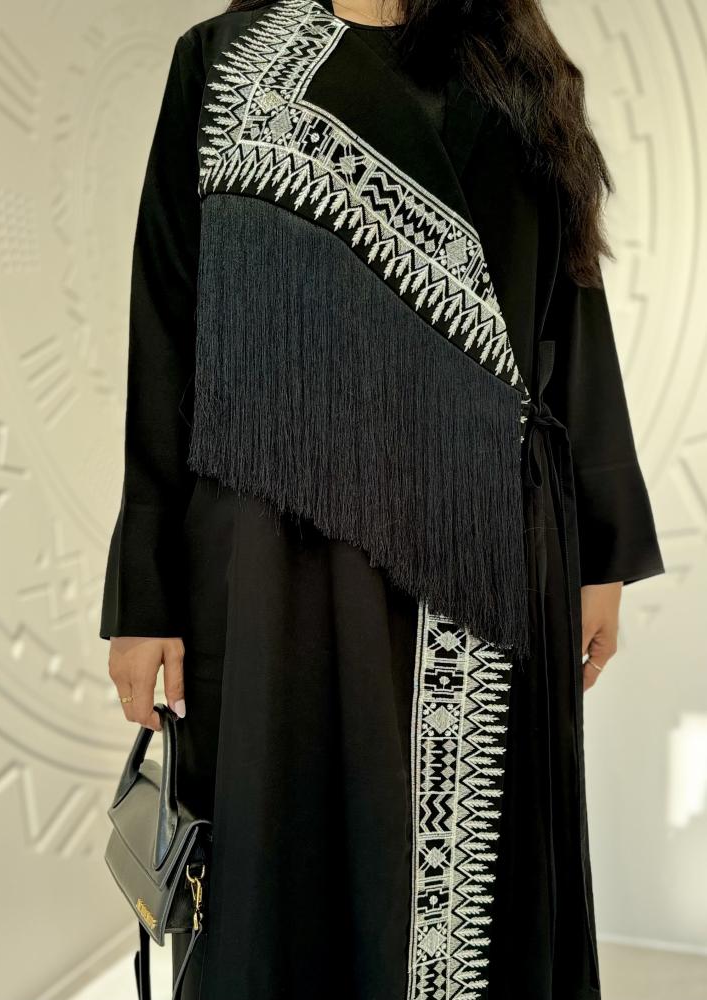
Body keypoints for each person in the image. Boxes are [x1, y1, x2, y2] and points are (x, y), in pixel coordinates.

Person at [100, 1, 665, 997]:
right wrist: (144, 596)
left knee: (481, 898)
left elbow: (572, 311)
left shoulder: (518, 72)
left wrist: (603, 547)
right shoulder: (224, 63)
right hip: (277, 556)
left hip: (486, 549)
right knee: (291, 875)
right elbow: (166, 323)